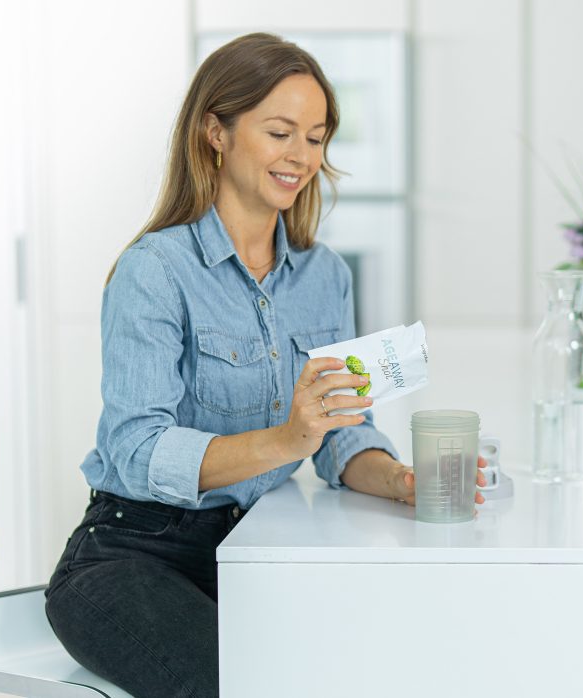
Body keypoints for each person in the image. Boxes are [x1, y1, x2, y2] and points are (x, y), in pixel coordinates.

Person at [43, 33, 485, 698]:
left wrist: (400, 480)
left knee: (381, 663)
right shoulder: (155, 272)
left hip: (254, 550)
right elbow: (135, 450)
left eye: (315, 137)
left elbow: (339, 435)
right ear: (214, 132)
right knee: (246, 686)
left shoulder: (323, 276)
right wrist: (284, 440)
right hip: (133, 555)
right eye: (280, 132)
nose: (302, 157)